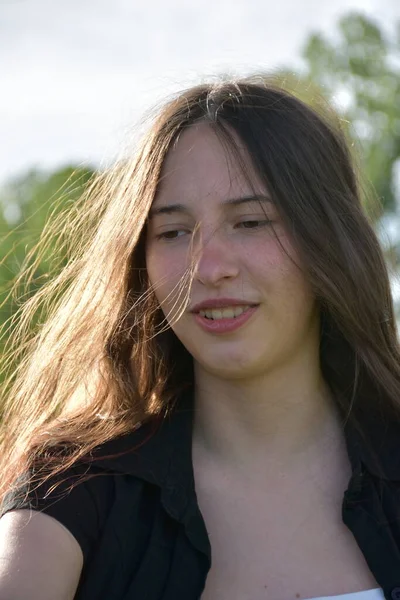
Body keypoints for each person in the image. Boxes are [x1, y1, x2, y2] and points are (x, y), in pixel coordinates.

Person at [0, 75, 400, 600]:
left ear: (329, 240)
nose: (207, 268)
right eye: (172, 232)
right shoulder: (73, 489)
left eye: (251, 222)